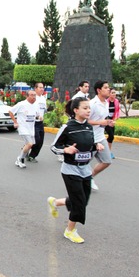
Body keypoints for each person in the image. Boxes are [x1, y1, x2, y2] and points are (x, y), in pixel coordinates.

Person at [48, 96, 103, 243]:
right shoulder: (67, 127)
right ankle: (70, 231)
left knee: (83, 201)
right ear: (76, 110)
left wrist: (96, 146)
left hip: (86, 169)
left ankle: (56, 202)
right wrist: (66, 150)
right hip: (70, 170)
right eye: (85, 108)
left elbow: (86, 145)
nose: (88, 110)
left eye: (89, 108)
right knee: (79, 203)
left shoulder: (89, 126)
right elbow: (54, 147)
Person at [88, 80, 114, 191]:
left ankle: (90, 177)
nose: (109, 89)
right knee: (83, 162)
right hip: (90, 138)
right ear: (99, 90)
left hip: (100, 137)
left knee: (107, 161)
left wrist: (108, 122)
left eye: (109, 87)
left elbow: (102, 119)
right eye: (106, 87)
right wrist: (100, 123)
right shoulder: (92, 104)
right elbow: (85, 121)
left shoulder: (106, 103)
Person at [8, 90, 39, 168]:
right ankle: (20, 158)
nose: (34, 97)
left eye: (35, 95)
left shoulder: (36, 105)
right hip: (23, 128)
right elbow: (10, 112)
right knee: (29, 144)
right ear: (27, 96)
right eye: (32, 95)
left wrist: (39, 117)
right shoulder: (21, 104)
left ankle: (20, 158)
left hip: (31, 128)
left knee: (28, 145)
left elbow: (37, 115)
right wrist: (15, 122)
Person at [27, 82, 47, 163]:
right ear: (35, 88)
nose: (42, 89)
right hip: (33, 122)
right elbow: (29, 110)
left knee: (41, 141)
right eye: (40, 87)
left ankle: (32, 156)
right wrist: (36, 116)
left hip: (40, 123)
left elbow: (44, 109)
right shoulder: (33, 98)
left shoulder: (43, 98)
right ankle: (26, 148)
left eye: (43, 87)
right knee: (36, 139)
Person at [105, 88, 120, 159]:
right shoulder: (106, 102)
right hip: (106, 120)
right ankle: (107, 152)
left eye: (115, 93)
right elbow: (104, 113)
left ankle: (108, 151)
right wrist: (108, 121)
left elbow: (117, 111)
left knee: (111, 137)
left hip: (112, 120)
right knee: (111, 135)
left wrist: (114, 120)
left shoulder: (116, 101)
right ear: (109, 94)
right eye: (112, 93)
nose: (114, 94)